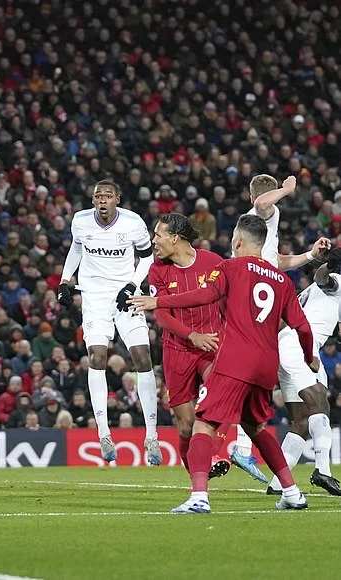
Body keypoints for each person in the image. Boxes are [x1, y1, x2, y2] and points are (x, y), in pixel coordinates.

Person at [129, 214, 314, 513]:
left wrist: (159, 302)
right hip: (266, 365)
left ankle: (199, 497)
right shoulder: (282, 281)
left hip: (234, 359)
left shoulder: (229, 266)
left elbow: (206, 294)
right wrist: (309, 357)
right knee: (256, 426)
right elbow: (302, 327)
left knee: (203, 424)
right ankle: (292, 492)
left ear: (238, 242)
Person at [223, 174, 331, 482]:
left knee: (260, 374)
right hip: (255, 299)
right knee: (253, 371)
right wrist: (287, 189)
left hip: (252, 297)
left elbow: (278, 261)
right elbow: (262, 203)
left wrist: (309, 256)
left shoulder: (256, 232)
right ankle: (238, 447)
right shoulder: (263, 214)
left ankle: (245, 450)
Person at [58, 179, 161, 465]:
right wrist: (65, 280)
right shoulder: (80, 221)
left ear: (118, 199)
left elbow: (147, 258)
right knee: (97, 356)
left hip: (125, 294)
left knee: (143, 357)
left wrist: (132, 285)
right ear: (93, 200)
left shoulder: (133, 222)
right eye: (98, 196)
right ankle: (104, 434)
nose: (102, 200)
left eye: (107, 195)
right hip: (94, 296)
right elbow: (76, 249)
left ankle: (152, 436)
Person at [146, 214, 226, 476]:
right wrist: (192, 335)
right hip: (177, 350)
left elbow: (227, 299)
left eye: (158, 235)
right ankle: (197, 480)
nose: (154, 241)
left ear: (174, 238)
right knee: (186, 425)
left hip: (212, 346)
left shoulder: (213, 262)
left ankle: (212, 454)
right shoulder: (157, 269)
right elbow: (161, 315)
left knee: (219, 396)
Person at [268, 248, 341, 496]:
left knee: (300, 421)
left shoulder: (310, 292)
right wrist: (328, 266)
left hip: (286, 345)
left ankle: (278, 483)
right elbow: (323, 278)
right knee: (320, 401)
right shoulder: (335, 281)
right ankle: (323, 470)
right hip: (299, 346)